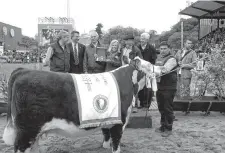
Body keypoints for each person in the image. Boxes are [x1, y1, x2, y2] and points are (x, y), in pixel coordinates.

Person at [154, 41, 178, 137]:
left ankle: (168, 127)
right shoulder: (158, 58)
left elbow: (165, 69)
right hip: (160, 86)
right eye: (161, 49)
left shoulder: (172, 59)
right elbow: (156, 69)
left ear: (169, 49)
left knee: (168, 108)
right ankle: (163, 126)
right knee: (161, 107)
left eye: (165, 48)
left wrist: (153, 69)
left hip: (169, 87)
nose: (162, 50)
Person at [121, 34, 143, 112]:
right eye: (126, 41)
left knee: (134, 88)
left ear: (132, 41)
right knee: (124, 89)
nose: (127, 42)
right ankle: (125, 105)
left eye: (129, 40)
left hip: (133, 72)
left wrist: (130, 62)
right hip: (123, 71)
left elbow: (140, 62)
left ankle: (134, 106)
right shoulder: (122, 49)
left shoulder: (136, 50)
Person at [137, 32, 157, 108]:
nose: (141, 40)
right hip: (139, 69)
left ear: (147, 40)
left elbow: (153, 59)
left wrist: (149, 67)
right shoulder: (137, 47)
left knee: (148, 86)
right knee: (140, 86)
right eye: (141, 38)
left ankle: (147, 103)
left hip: (148, 70)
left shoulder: (152, 48)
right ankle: (141, 102)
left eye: (144, 39)